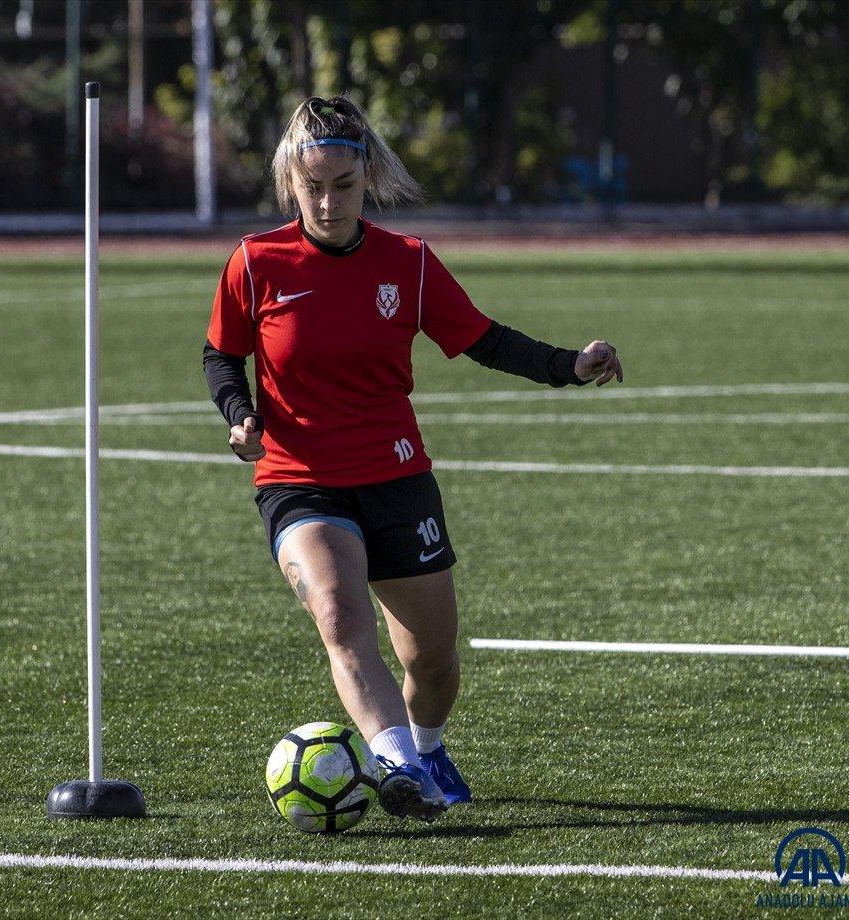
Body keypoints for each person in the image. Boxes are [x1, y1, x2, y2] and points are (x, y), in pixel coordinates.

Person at [202, 96, 623, 823]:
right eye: (312, 187)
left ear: (368, 179)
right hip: (300, 480)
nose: (327, 202)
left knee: (431, 660)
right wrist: (240, 417)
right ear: (290, 184)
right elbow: (222, 355)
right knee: (339, 614)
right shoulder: (255, 261)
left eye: (342, 185)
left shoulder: (410, 263)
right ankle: (394, 764)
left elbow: (485, 338)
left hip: (397, 478)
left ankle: (423, 745)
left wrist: (570, 366)